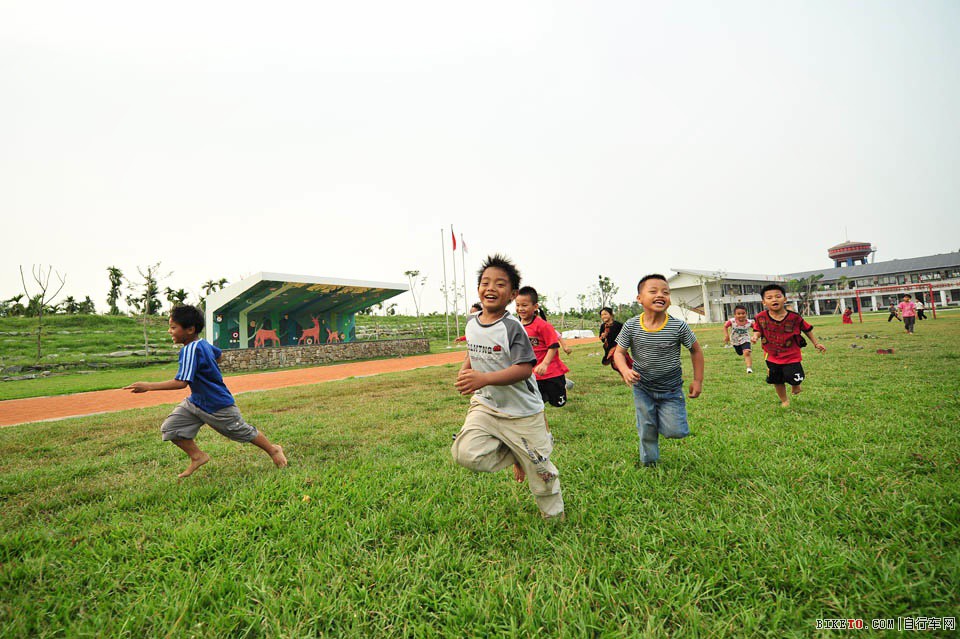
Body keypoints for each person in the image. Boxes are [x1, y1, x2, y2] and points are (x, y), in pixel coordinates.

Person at [451, 254, 564, 520]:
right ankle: (517, 454)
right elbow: (473, 348)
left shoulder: (512, 328)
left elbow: (525, 368)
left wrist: (484, 378)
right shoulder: (471, 322)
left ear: (512, 294)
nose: (491, 288)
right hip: (487, 404)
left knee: (541, 472)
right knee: (465, 453)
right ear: (478, 288)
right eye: (485, 282)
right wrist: (466, 368)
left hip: (522, 411)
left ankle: (554, 518)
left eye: (500, 284)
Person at [123, 305, 288, 478]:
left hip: (218, 405)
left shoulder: (190, 349)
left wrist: (148, 386)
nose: (169, 331)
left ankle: (273, 449)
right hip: (196, 402)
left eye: (173, 327)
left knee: (242, 431)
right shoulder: (202, 344)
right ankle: (197, 456)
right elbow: (219, 355)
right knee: (171, 428)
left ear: (190, 329)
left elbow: (181, 383)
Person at [613, 274, 704, 467]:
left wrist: (698, 381)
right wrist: (625, 370)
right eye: (653, 291)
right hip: (642, 387)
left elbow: (695, 350)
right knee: (646, 427)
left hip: (671, 389)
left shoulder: (678, 326)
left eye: (665, 292)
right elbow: (619, 353)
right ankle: (649, 462)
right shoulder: (631, 325)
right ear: (640, 298)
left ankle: (663, 421)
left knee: (676, 431)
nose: (660, 295)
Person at [751, 284, 826, 408]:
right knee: (777, 380)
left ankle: (795, 384)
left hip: (792, 355)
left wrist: (816, 343)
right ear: (764, 302)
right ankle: (784, 400)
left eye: (778, 296)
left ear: (784, 299)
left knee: (796, 377)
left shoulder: (794, 318)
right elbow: (758, 330)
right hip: (771, 355)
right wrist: (755, 336)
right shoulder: (760, 318)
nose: (774, 299)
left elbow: (807, 329)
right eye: (769, 298)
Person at [515, 286, 570, 408]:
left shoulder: (543, 326)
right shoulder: (517, 326)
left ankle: (564, 384)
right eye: (517, 305)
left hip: (551, 373)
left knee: (558, 403)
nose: (520, 309)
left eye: (524, 305)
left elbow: (553, 346)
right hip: (533, 375)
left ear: (535, 307)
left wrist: (545, 364)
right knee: (535, 406)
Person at [723, 305, 755, 373]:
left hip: (745, 339)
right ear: (735, 315)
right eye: (738, 314)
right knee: (740, 353)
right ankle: (739, 350)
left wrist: (755, 336)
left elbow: (756, 328)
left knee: (746, 352)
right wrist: (726, 335)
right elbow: (725, 326)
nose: (741, 315)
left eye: (743, 313)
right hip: (735, 340)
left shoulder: (749, 322)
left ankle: (749, 368)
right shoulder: (732, 321)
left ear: (746, 314)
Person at [599, 307, 631, 374]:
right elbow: (602, 339)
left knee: (619, 363)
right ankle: (628, 375)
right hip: (608, 348)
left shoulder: (618, 325)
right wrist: (603, 337)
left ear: (611, 315)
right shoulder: (603, 326)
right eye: (601, 315)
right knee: (616, 365)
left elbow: (625, 335)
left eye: (605, 314)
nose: (603, 316)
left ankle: (630, 375)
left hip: (618, 347)